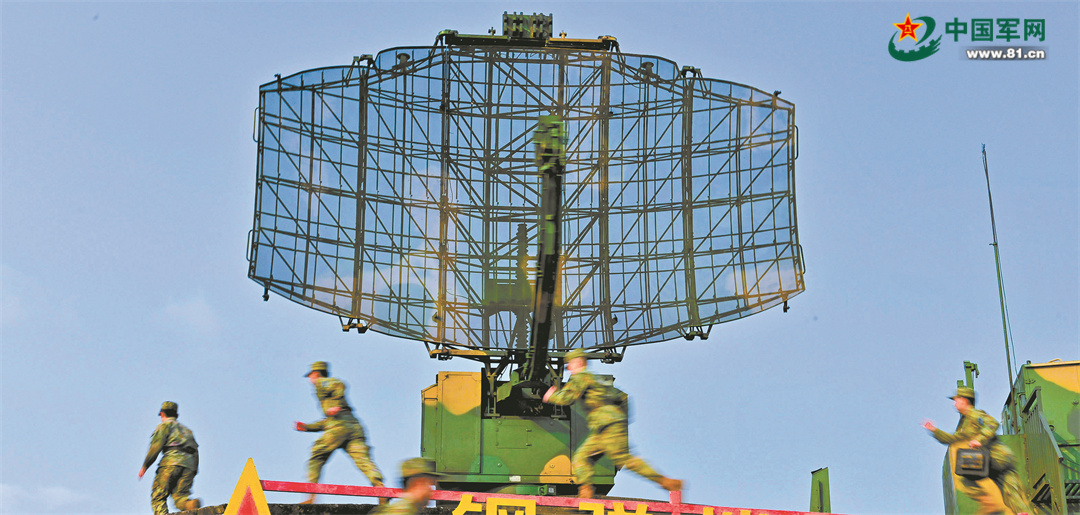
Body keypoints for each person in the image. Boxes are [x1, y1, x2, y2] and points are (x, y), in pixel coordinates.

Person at [542, 349, 682, 499]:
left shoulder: (581, 377)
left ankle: (667, 482)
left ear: (578, 362)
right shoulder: (598, 380)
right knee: (581, 458)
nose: (569, 367)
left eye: (570, 363)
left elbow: (567, 399)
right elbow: (623, 397)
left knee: (623, 458)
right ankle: (586, 493)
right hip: (605, 427)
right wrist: (620, 420)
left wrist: (551, 396)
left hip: (606, 425)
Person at [923, 386, 1032, 515]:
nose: (955, 404)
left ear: (965, 400)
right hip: (990, 462)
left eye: (957, 400)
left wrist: (980, 439)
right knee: (1008, 494)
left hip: (998, 459)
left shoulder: (975, 414)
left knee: (1007, 492)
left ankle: (998, 506)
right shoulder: (965, 423)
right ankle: (1000, 506)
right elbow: (952, 439)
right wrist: (935, 431)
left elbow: (992, 424)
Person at [295, 361, 385, 504]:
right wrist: (307, 427)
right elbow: (328, 421)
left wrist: (336, 403)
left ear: (315, 374)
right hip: (353, 426)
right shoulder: (328, 398)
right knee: (363, 460)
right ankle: (381, 489)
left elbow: (339, 384)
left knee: (317, 455)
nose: (310, 379)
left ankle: (311, 496)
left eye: (311, 376)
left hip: (339, 426)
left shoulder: (321, 383)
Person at [139, 401, 201, 514]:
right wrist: (193, 470)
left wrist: (145, 466)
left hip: (171, 463)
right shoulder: (187, 431)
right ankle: (190, 504)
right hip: (189, 465)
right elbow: (195, 450)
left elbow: (155, 447)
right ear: (175, 414)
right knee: (180, 496)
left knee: (158, 496)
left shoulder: (164, 426)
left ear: (162, 414)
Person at [370, 458, 442, 515]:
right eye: (428, 483)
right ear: (418, 482)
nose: (430, 490)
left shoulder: (407, 510)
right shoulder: (401, 511)